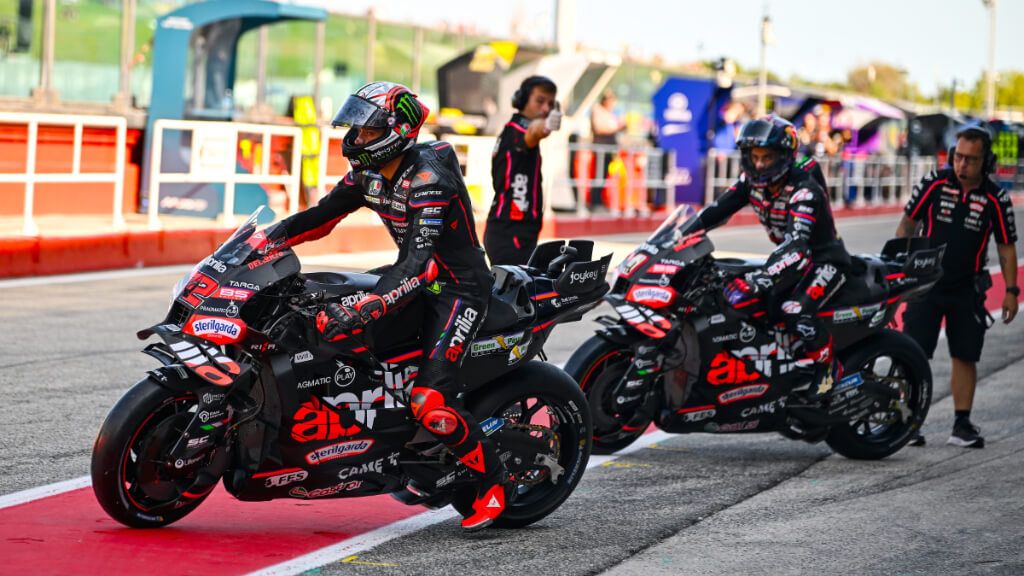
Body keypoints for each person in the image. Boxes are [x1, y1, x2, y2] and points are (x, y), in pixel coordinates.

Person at [269, 82, 512, 530]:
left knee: (430, 400)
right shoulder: (371, 172)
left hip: (456, 289)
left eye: (365, 130)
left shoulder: (428, 182)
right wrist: (262, 242)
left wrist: (371, 304)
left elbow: (420, 265)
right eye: (355, 129)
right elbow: (321, 217)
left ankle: (493, 481)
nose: (355, 138)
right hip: (413, 275)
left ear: (396, 131)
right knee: (320, 317)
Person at [679, 115, 851, 394]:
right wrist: (678, 236)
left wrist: (760, 279)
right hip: (791, 258)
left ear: (784, 156)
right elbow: (716, 211)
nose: (759, 164)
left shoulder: (804, 188)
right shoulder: (751, 182)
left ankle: (828, 367)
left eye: (767, 157)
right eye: (754, 156)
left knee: (794, 310)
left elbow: (798, 246)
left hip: (824, 260)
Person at [895, 123, 1018, 448]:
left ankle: (961, 424)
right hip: (926, 285)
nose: (962, 165)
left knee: (965, 355)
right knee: (914, 353)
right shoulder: (933, 184)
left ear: (986, 162)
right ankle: (908, 421)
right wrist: (899, 268)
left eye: (971, 160)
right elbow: (908, 223)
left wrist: (1011, 290)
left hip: (968, 289)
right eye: (958, 157)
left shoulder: (996, 198)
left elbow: (1006, 246)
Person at [484, 75, 560, 265]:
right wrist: (547, 126)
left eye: (550, 103)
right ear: (523, 100)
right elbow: (533, 132)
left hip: (518, 232)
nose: (546, 109)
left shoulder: (514, 129)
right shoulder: (517, 130)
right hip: (510, 233)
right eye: (540, 101)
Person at [590, 89, 625, 211]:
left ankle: (600, 201)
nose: (612, 104)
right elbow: (600, 128)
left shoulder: (610, 113)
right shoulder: (597, 110)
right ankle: (595, 203)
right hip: (601, 149)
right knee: (598, 176)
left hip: (609, 149)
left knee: (604, 177)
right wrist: (617, 127)